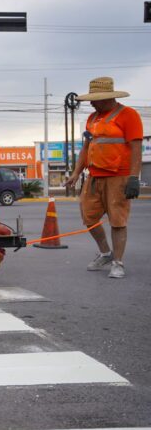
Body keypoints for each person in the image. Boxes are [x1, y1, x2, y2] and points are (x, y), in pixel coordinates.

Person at [65, 77, 143, 279]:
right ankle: (106, 253)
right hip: (94, 177)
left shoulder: (129, 115)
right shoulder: (93, 118)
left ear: (107, 98)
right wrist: (75, 173)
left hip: (119, 177)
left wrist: (134, 177)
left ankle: (118, 263)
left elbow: (136, 148)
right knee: (89, 217)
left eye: (94, 99)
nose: (91, 103)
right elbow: (86, 148)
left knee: (118, 221)